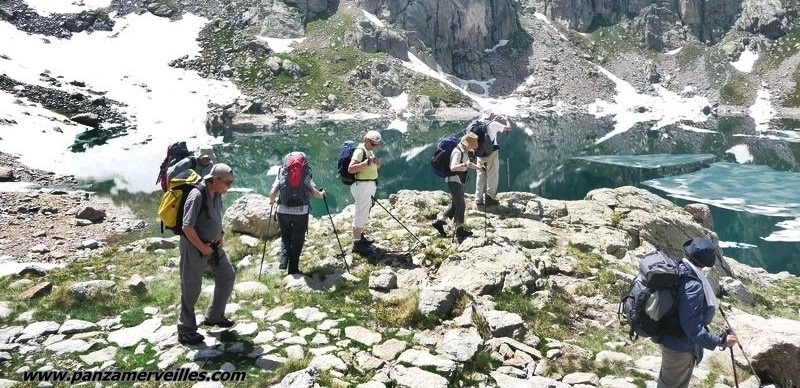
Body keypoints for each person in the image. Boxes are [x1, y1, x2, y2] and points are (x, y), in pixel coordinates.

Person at [656, 237, 738, 388]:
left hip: (671, 340)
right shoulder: (693, 284)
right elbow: (692, 327)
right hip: (680, 348)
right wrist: (720, 341)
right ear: (704, 263)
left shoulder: (681, 268)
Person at [176, 163, 237, 345]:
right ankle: (186, 330)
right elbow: (187, 227)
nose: (230, 187)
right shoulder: (196, 195)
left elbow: (216, 218)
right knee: (191, 287)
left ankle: (214, 316)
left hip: (213, 246)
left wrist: (220, 235)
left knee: (227, 275)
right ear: (215, 180)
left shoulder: (217, 194)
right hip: (194, 247)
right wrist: (203, 248)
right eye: (228, 183)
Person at [268, 153, 325, 275]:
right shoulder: (305, 173)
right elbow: (315, 193)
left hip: (283, 211)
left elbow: (272, 193)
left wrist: (271, 201)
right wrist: (322, 194)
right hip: (301, 212)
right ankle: (293, 269)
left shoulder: (282, 172)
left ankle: (284, 259)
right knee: (297, 239)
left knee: (285, 235)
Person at [432, 132, 483, 239]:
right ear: (468, 144)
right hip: (453, 179)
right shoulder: (457, 152)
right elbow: (453, 167)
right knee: (461, 204)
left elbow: (468, 163)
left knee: (455, 205)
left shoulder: (464, 150)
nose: (476, 145)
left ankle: (439, 222)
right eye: (474, 144)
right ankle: (459, 229)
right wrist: (464, 165)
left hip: (457, 179)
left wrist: (479, 168)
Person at [347, 130, 382, 254]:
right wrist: (366, 163)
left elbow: (372, 166)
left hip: (368, 184)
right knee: (361, 211)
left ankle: (360, 237)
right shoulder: (360, 151)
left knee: (364, 210)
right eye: (373, 144)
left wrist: (377, 163)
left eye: (377, 144)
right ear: (366, 140)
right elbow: (351, 169)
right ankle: (357, 243)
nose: (375, 147)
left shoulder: (369, 150)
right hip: (362, 185)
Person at [475, 109, 512, 206]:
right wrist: (506, 120)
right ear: (491, 115)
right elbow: (508, 128)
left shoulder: (478, 123)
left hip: (479, 153)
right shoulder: (494, 124)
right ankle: (490, 197)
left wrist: (493, 119)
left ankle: (478, 199)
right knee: (492, 174)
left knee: (480, 174)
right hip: (491, 152)